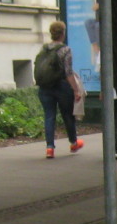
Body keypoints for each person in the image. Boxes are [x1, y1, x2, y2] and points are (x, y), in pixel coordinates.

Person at [35, 21, 84, 159]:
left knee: (49, 116)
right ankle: (74, 143)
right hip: (61, 86)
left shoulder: (43, 49)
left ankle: (49, 148)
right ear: (63, 33)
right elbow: (68, 73)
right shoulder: (65, 50)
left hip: (45, 87)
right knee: (67, 115)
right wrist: (76, 90)